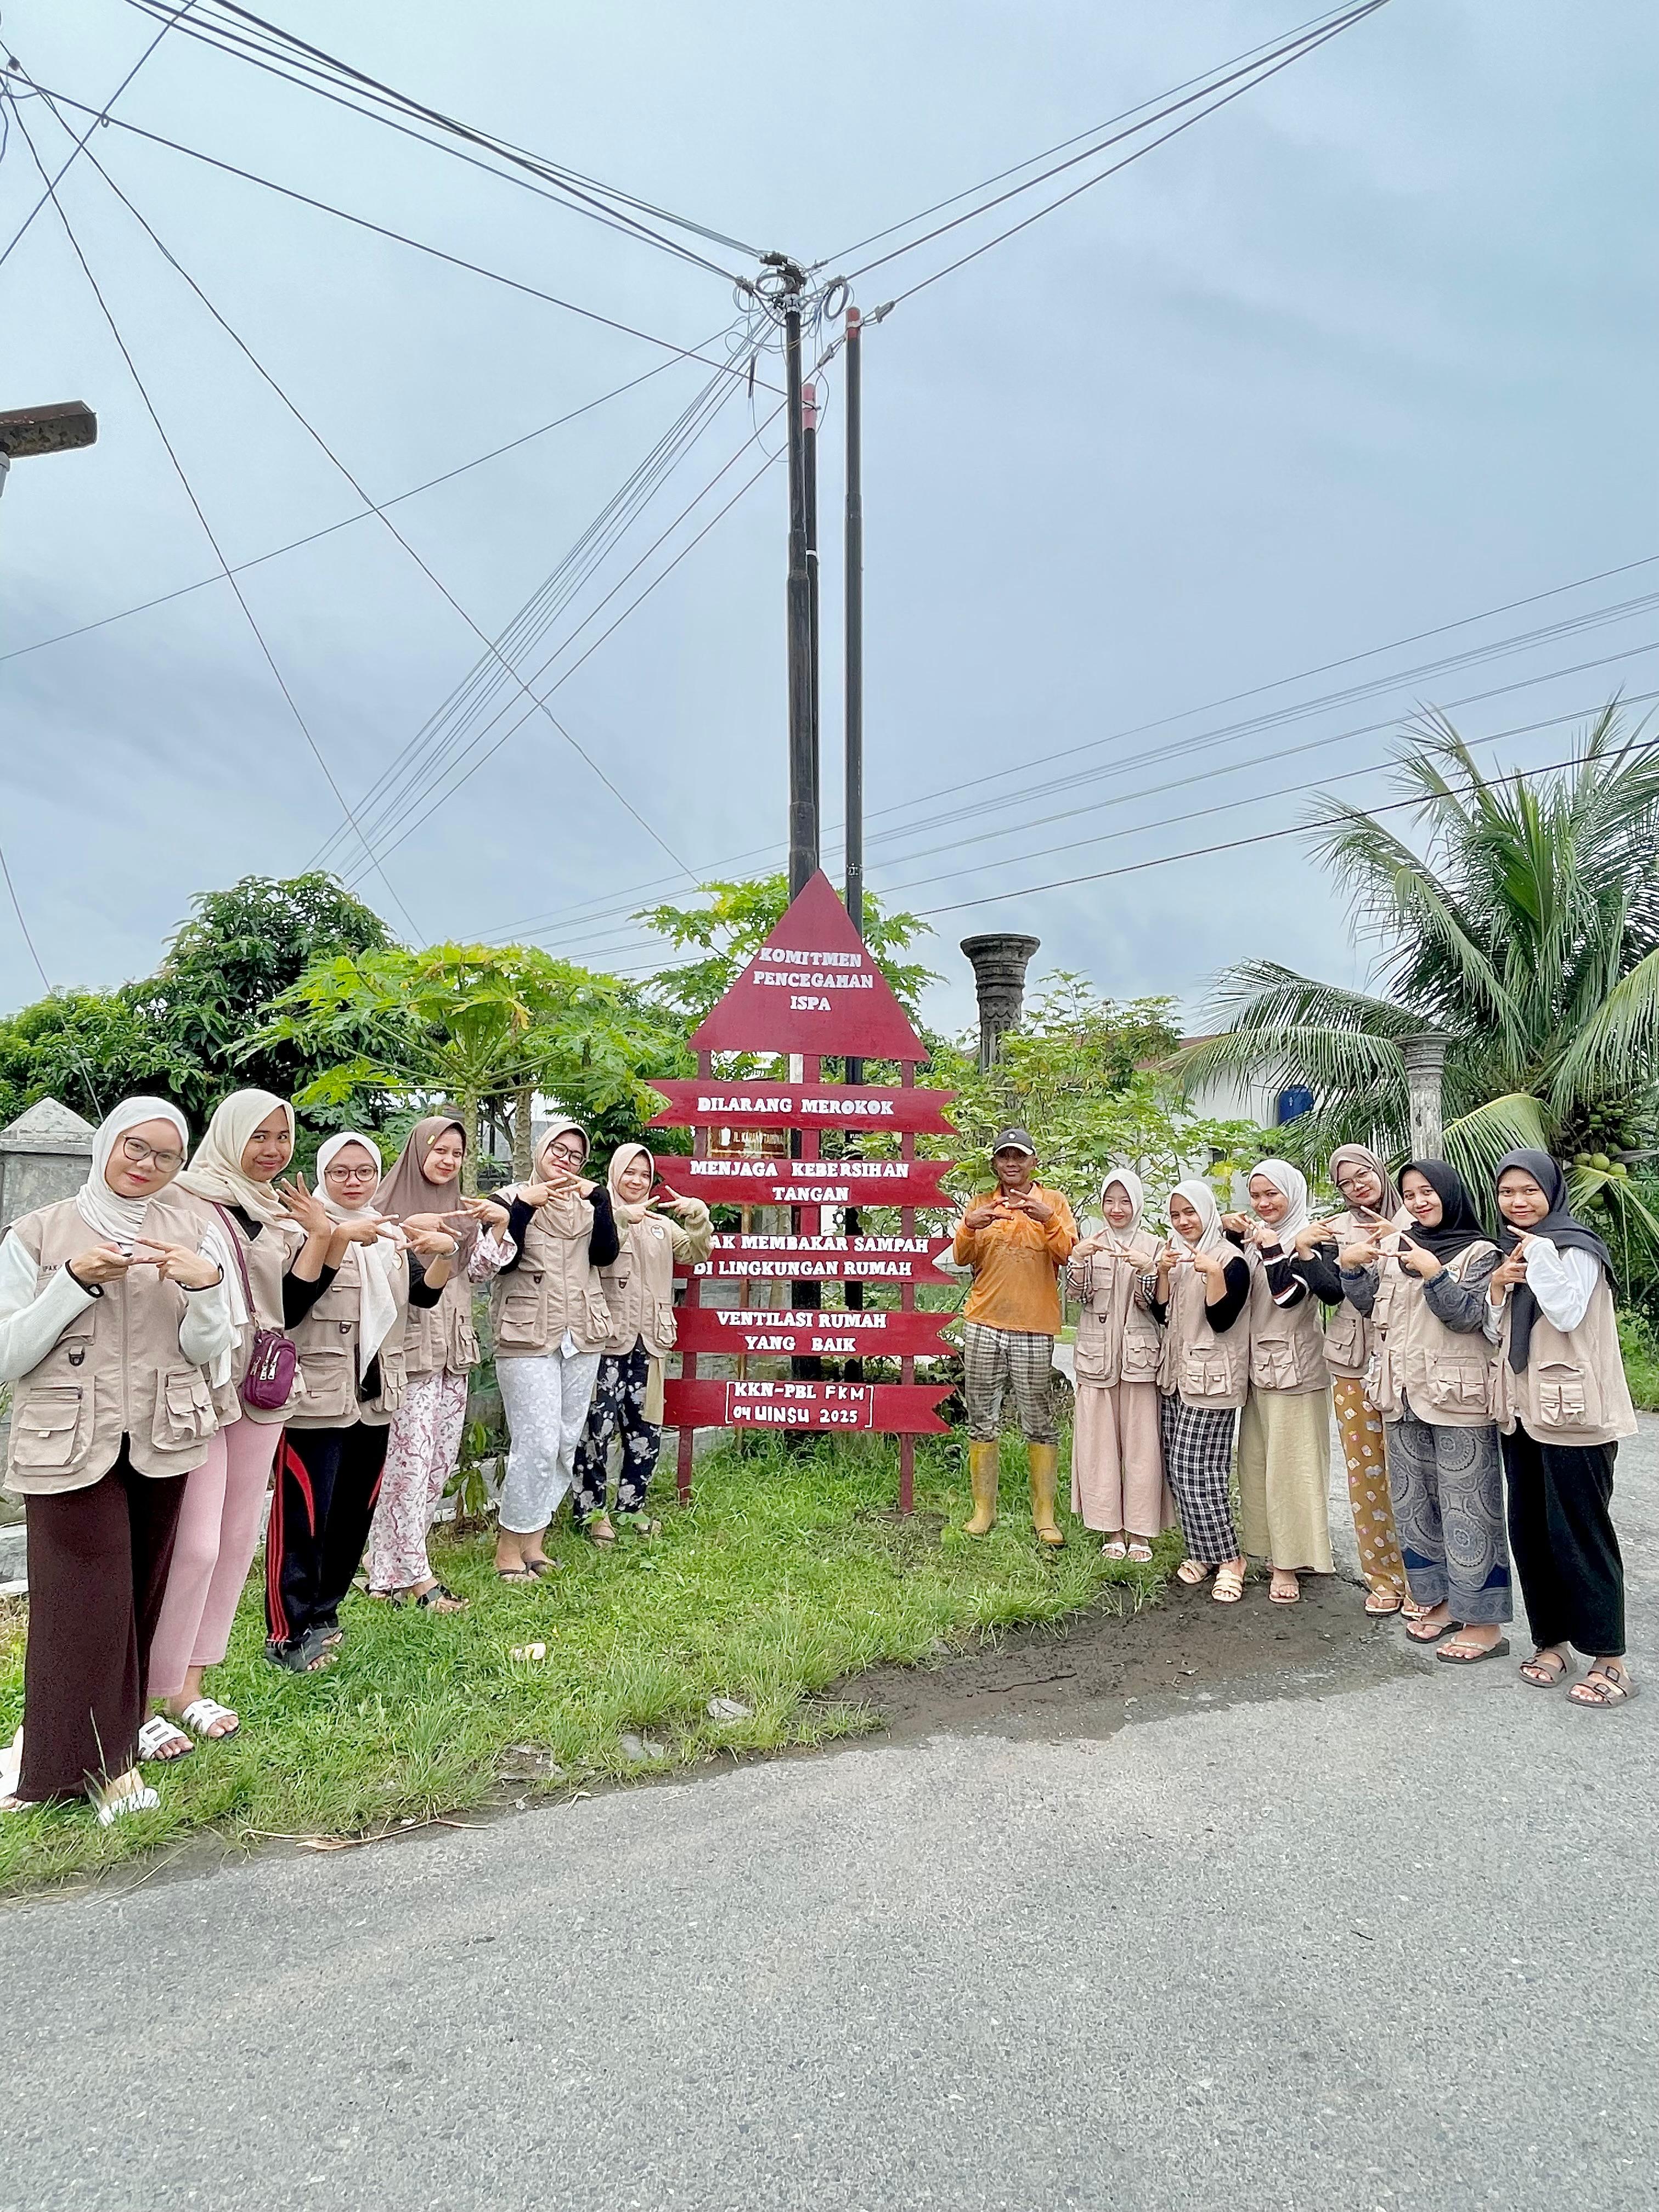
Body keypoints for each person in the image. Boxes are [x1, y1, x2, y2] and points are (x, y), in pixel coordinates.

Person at [0, 1098, 232, 1821]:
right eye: (136, 1147)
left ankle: (75, 1752)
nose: (146, 1165)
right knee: (87, 1602)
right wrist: (71, 1282)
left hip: (162, 1436)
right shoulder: (37, 1234)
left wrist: (205, 1290)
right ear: (106, 1143)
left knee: (137, 1599)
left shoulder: (195, 1230)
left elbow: (205, 1349)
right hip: (68, 1438)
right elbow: (9, 1354)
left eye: (165, 1156)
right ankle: (105, 1773)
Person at [143, 1090, 338, 1758]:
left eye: (283, 1137)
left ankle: (189, 1687)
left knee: (233, 1540)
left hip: (261, 1383)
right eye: (259, 1136)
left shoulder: (277, 1209)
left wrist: (320, 1233)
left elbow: (293, 1304)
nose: (273, 1150)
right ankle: (143, 1694)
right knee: (191, 1544)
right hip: (198, 1384)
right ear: (229, 1135)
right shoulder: (186, 1200)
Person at [264, 1132, 456, 1673]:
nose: (353, 1182)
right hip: (316, 1395)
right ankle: (287, 1632)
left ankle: (325, 1614)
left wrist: (445, 1254)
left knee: (353, 1514)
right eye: (341, 1172)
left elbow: (423, 1296)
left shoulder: (387, 1232)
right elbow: (290, 1306)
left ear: (377, 1176)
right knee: (304, 1516)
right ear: (323, 1174)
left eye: (364, 1172)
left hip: (375, 1394)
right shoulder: (299, 1228)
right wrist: (331, 1238)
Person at [1339, 1161, 1509, 1664]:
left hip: (1458, 1398)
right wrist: (1351, 1268)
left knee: (1469, 1506)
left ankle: (1483, 1622)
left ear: (1451, 1195)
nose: (1418, 1202)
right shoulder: (1396, 1247)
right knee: (1414, 1503)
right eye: (1410, 1195)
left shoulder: (1482, 1253)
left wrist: (1435, 1275)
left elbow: (1471, 1317)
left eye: (1428, 1192)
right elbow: (1372, 1305)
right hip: (1401, 1391)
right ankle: (1437, 1600)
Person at [1488, 1149, 1639, 1708]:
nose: (1519, 1201)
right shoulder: (1514, 1251)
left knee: (1580, 1534)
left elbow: (1568, 1311)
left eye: (1529, 1190)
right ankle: (1553, 1643)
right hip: (1524, 1412)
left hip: (1576, 1414)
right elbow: (1492, 1329)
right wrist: (1499, 1286)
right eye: (1508, 1192)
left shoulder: (1574, 1247)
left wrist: (1542, 1255)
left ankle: (1611, 1660)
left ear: (1552, 1190)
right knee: (1531, 1530)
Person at [472, 1120, 619, 1581]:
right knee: (534, 1442)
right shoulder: (508, 1198)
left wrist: (602, 1201)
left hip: (580, 1332)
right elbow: (502, 1262)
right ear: (540, 1150)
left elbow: (604, 1255)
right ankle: (507, 1547)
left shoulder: (586, 1204)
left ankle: (534, 1542)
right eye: (559, 1149)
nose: (566, 1159)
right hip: (527, 1333)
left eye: (576, 1154)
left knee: (564, 1440)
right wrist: (521, 1207)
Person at [363, 1115, 488, 1612]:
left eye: (457, 1154)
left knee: (435, 1466)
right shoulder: (384, 1214)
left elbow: (479, 1273)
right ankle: (418, 1578)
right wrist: (408, 1231)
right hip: (407, 1356)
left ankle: (383, 1568)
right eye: (440, 1150)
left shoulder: (464, 1214)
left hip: (452, 1356)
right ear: (418, 1151)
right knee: (407, 1470)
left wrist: (496, 1226)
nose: (448, 1161)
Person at [1292, 1146, 1416, 1617]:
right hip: (1351, 1362)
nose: (1357, 1186)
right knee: (1366, 1475)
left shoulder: (1415, 1217)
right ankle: (1383, 1578)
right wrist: (1307, 1251)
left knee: (1413, 1472)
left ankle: (1423, 1580)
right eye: (1345, 1182)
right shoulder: (1334, 1230)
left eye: (1362, 1174)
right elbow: (1327, 1291)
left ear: (1379, 1171)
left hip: (1406, 1361)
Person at [571, 1143, 712, 1544]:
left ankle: (632, 1509)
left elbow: (697, 1251)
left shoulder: (658, 1225)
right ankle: (591, 1512)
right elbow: (583, 1251)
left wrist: (698, 1216)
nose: (636, 1181)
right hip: (606, 1343)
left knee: (645, 1432)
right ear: (614, 1174)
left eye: (644, 1175)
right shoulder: (593, 1215)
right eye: (629, 1173)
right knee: (595, 1431)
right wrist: (616, 1216)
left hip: (649, 1343)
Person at [951, 1126, 1077, 1546]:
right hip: (984, 1322)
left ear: (1033, 1162)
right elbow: (961, 1256)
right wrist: (969, 1226)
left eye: (1019, 1156)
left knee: (1038, 1421)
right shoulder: (982, 1203)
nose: (1012, 1163)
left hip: (1035, 1326)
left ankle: (1044, 1515)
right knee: (981, 1417)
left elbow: (1069, 1255)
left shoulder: (1054, 1202)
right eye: (1005, 1157)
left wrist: (1048, 1220)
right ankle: (983, 1509)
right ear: (995, 1164)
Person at [1224, 1160, 1333, 1604]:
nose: (1264, 1203)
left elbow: (1288, 1298)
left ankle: (1288, 1563)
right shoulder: (1254, 1239)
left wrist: (1273, 1249)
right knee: (1256, 1464)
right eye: (1257, 1195)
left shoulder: (1309, 1237)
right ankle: (1266, 1549)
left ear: (1293, 1192)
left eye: (1273, 1194)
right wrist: (1233, 1238)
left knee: (1293, 1469)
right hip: (1254, 1369)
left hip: (1296, 1370)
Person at [1147, 1180, 1251, 1602]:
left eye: (1190, 1212)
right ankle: (1203, 1551)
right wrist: (1165, 1272)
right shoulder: (1177, 1255)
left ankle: (1230, 1559)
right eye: (1175, 1215)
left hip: (1213, 1381)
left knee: (1199, 1471)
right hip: (1176, 1376)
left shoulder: (1232, 1260)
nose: (1183, 1222)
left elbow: (1223, 1319)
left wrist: (1213, 1275)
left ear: (1208, 1212)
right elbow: (1160, 1311)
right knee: (1178, 1468)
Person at [1065, 1170, 1170, 1561]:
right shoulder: (1091, 1244)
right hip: (1095, 1360)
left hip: (1141, 1361)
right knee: (1098, 1447)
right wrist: (1077, 1261)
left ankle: (1141, 1532)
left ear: (1138, 1204)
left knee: (1143, 1447)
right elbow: (1077, 1297)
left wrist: (1148, 1269)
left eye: (1125, 1201)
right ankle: (1110, 1528)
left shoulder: (1157, 1246)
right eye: (1110, 1201)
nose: (1117, 1209)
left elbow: (1156, 1307)